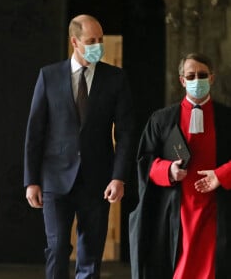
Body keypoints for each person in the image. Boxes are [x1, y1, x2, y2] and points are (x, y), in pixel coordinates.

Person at [24, 14, 134, 279]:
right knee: (57, 247)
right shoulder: (48, 76)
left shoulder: (115, 78)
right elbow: (35, 131)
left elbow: (126, 132)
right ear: (75, 41)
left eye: (100, 39)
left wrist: (118, 177)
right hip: (54, 178)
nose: (98, 45)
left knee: (91, 254)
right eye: (91, 40)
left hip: (97, 179)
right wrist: (31, 181)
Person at [129, 52, 231, 279]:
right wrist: (168, 170)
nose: (197, 81)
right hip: (175, 209)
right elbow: (145, 160)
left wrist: (222, 174)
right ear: (182, 80)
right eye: (191, 76)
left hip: (218, 209)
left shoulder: (227, 118)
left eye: (202, 75)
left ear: (212, 78)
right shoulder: (161, 119)